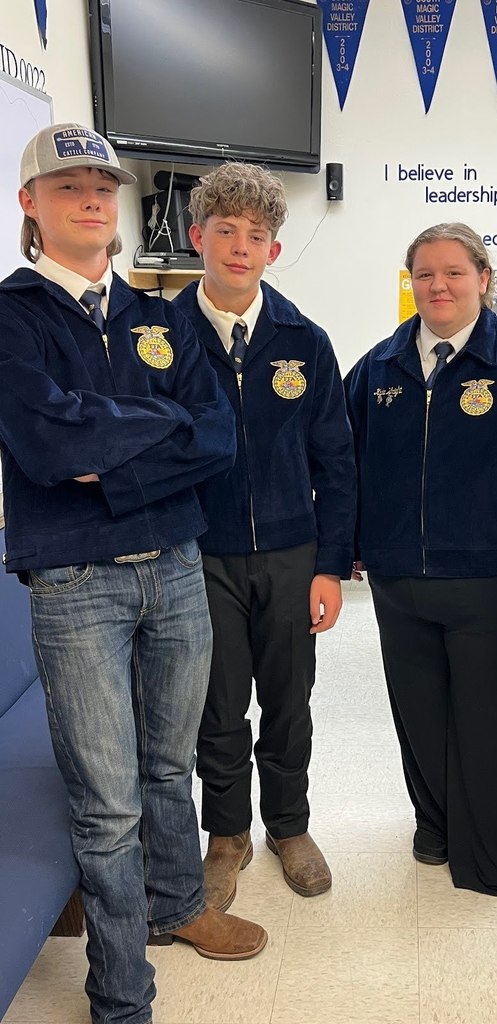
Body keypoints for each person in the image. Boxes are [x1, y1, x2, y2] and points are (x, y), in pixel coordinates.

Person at [0, 124, 268, 1024]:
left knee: (168, 766)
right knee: (107, 802)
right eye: (67, 184)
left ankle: (178, 906)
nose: (91, 199)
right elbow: (45, 445)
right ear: (30, 204)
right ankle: (121, 992)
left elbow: (218, 438)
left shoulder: (159, 316)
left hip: (178, 571)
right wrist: (155, 433)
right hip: (76, 584)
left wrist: (105, 452)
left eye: (104, 186)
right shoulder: (10, 319)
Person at [344, 223, 497, 896]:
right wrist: (346, 548)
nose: (438, 286)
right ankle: (434, 826)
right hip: (401, 580)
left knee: (494, 726)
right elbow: (344, 460)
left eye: (454, 272)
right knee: (421, 715)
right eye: (424, 274)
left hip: (493, 584)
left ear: (484, 278)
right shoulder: (380, 367)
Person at [173, 162, 355, 906]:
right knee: (217, 708)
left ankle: (289, 824)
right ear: (198, 238)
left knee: (288, 699)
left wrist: (330, 566)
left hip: (289, 554)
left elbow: (337, 461)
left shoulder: (304, 342)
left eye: (257, 236)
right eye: (226, 232)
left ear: (274, 251)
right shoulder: (161, 338)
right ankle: (226, 834)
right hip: (198, 555)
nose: (240, 248)